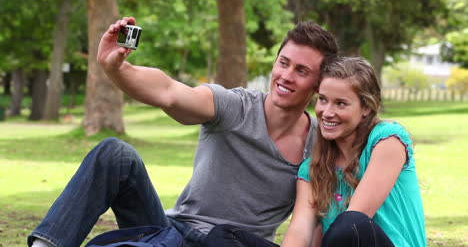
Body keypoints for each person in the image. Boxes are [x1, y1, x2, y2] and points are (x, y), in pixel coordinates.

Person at [27, 17, 339, 247]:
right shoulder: (235, 107)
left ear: (318, 85)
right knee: (115, 154)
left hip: (235, 244)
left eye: (301, 71)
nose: (286, 76)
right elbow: (170, 92)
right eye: (283, 63)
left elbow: (315, 220)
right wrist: (117, 69)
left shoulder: (318, 146)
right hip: (175, 230)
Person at [205, 57, 426, 247]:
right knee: (224, 237)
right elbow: (300, 233)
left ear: (366, 108)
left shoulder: (387, 140)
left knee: (351, 224)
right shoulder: (312, 169)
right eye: (323, 100)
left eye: (341, 103)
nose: (327, 112)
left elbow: (357, 219)